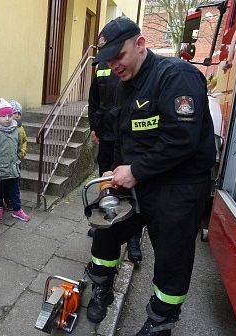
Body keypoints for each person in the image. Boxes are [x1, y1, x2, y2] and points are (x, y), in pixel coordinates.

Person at [85, 17, 215, 336]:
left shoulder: (177, 77)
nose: (114, 64)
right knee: (104, 226)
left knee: (172, 257)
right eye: (109, 59)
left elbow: (181, 138)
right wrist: (112, 171)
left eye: (120, 55)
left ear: (140, 45)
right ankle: (101, 287)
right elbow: (123, 136)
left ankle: (160, 321)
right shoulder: (126, 85)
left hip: (177, 188)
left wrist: (136, 170)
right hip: (136, 183)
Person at [88, 62, 143, 265]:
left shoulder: (130, 66)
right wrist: (94, 126)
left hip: (126, 138)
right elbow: (93, 99)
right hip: (106, 135)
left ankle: (134, 240)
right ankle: (105, 225)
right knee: (105, 184)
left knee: (130, 192)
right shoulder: (102, 66)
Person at [0, 98, 30, 222]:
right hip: (0, 168)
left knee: (15, 190)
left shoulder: (16, 130)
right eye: (3, 116)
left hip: (13, 167)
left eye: (9, 115)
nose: (7, 118)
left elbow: (19, 145)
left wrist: (18, 157)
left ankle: (17, 209)